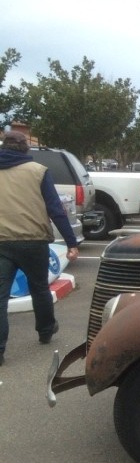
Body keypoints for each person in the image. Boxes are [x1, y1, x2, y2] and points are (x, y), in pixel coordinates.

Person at [0, 131, 79, 366]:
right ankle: (45, 330)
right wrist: (71, 242)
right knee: (39, 288)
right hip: (33, 241)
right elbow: (55, 209)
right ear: (25, 149)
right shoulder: (38, 171)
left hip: (2, 242)